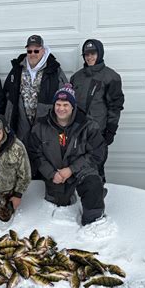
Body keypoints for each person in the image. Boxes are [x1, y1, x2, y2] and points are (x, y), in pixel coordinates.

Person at [28, 84, 106, 225]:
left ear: (73, 106)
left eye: (65, 104)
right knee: (60, 202)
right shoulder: (41, 126)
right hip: (56, 174)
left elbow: (98, 153)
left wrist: (71, 170)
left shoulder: (87, 125)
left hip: (81, 171)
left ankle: (94, 222)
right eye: (58, 104)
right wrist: (52, 174)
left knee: (93, 184)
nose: (61, 108)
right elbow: (35, 154)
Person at [70, 39, 124, 182]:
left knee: (96, 165)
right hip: (78, 132)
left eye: (93, 53)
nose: (89, 57)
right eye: (86, 54)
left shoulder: (111, 77)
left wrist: (111, 130)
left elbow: (115, 106)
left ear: (100, 54)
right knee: (77, 165)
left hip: (98, 131)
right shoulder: (76, 77)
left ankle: (98, 196)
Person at [3, 34, 67, 151]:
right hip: (21, 122)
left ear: (43, 50)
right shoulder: (17, 69)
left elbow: (65, 97)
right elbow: (7, 94)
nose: (32, 54)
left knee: (43, 155)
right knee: (22, 153)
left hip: (45, 122)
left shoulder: (54, 70)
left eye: (36, 50)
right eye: (30, 51)